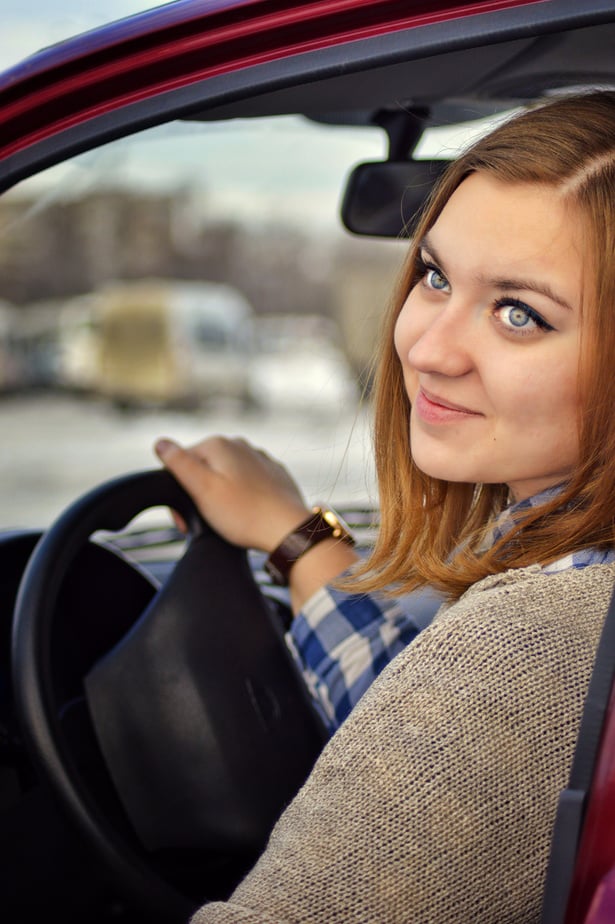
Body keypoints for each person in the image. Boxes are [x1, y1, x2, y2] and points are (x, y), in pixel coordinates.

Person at [154, 91, 615, 922]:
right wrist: (293, 537)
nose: (427, 346)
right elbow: (436, 754)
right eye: (434, 276)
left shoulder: (545, 631)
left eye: (520, 314)